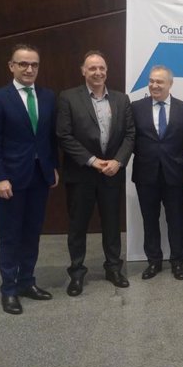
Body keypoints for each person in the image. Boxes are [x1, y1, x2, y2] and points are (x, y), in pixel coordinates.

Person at [0, 44, 59, 315]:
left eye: (34, 65)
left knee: (32, 232)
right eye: (23, 64)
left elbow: (50, 137)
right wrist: (0, 177)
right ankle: (9, 289)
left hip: (39, 176)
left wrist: (53, 167)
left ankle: (27, 281)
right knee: (10, 235)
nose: (29, 69)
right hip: (10, 179)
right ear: (11, 66)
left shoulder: (48, 97)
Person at [56, 50, 135, 296]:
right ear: (83, 71)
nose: (98, 72)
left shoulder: (122, 100)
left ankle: (113, 268)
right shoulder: (68, 98)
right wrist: (91, 161)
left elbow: (130, 135)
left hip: (112, 173)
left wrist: (118, 162)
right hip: (82, 174)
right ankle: (77, 273)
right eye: (92, 68)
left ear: (107, 71)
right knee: (78, 225)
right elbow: (63, 135)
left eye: (101, 68)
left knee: (112, 224)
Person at [131, 65, 183, 281]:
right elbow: (132, 139)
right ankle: (154, 262)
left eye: (159, 82)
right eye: (151, 81)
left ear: (170, 84)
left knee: (176, 220)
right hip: (145, 173)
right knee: (150, 220)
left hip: (174, 173)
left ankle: (177, 262)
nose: (154, 85)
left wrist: (172, 158)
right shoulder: (136, 107)